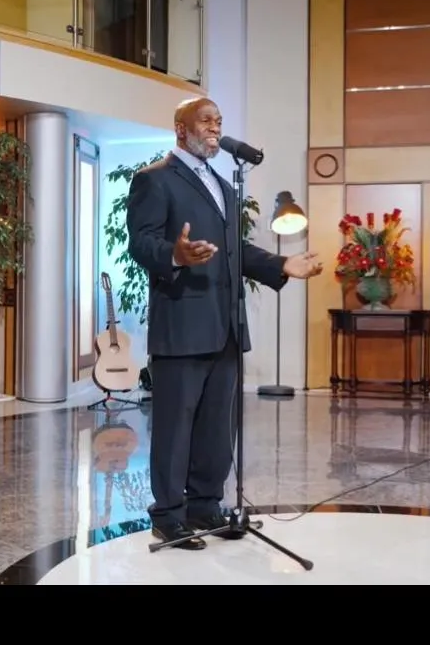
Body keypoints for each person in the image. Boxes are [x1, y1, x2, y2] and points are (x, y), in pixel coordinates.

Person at [126, 97, 324, 550]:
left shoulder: (223, 184)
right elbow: (141, 242)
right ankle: (168, 516)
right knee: (176, 427)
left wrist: (282, 265)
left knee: (218, 425)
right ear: (181, 129)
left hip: (226, 324)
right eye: (205, 120)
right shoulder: (154, 179)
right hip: (182, 324)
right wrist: (175, 255)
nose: (215, 127)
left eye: (218, 120)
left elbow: (237, 251)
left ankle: (205, 505)